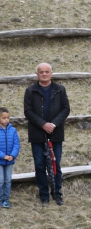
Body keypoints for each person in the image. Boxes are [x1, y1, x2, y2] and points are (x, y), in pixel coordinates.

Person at [24, 62, 70, 206]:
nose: (44, 74)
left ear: (51, 73)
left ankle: (57, 193)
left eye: (47, 71)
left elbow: (66, 109)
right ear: (37, 74)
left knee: (56, 165)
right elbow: (28, 111)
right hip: (37, 134)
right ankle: (43, 195)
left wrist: (53, 124)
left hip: (55, 134)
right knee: (39, 165)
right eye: (41, 72)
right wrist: (43, 124)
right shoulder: (30, 91)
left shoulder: (60, 89)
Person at [0, 107, 20, 209]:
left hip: (10, 161)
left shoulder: (13, 130)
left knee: (8, 180)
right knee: (1, 180)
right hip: (0, 161)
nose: (6, 120)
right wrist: (3, 156)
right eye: (4, 118)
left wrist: (12, 155)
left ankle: (5, 200)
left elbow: (16, 144)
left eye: (8, 117)